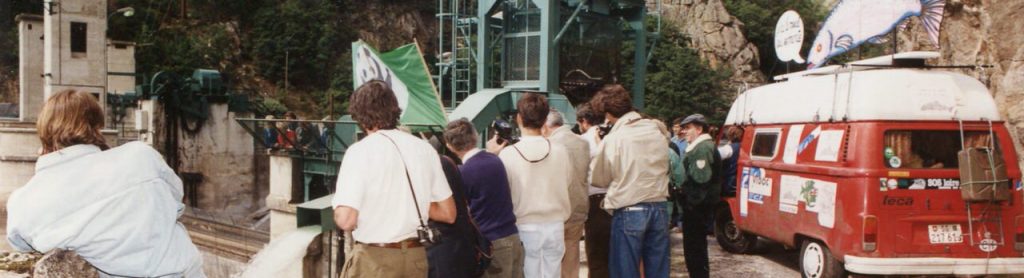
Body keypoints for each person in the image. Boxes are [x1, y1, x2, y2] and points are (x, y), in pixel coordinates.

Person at [5, 89, 204, 277]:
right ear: (96, 126)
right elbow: (177, 201)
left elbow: (22, 245)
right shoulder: (140, 156)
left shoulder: (22, 201)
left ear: (43, 132)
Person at [333, 80, 457, 278]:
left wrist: (338, 211)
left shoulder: (359, 152)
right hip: (416, 259)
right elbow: (448, 213)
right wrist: (408, 201)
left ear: (360, 116)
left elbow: (347, 220)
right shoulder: (425, 149)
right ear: (394, 110)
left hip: (375, 261)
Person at [589, 85, 671, 278]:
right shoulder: (657, 130)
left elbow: (599, 178)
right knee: (658, 270)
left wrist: (602, 147)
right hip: (659, 206)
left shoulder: (614, 138)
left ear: (608, 114)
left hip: (629, 209)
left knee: (624, 271)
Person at [489, 93, 572, 278]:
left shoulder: (508, 154)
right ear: (545, 119)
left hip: (525, 225)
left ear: (519, 118)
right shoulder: (560, 151)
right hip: (555, 224)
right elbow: (568, 182)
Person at [444, 118, 525, 278]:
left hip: (491, 243)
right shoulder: (496, 160)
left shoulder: (462, 173)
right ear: (475, 136)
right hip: (512, 236)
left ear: (450, 146)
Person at [541, 110, 589, 278]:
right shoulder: (582, 143)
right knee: (572, 254)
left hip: (556, 210)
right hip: (579, 207)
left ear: (546, 126)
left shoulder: (549, 145)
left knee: (551, 260)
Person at [678, 114, 722, 278]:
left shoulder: (701, 148)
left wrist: (688, 201)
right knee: (696, 249)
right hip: (699, 207)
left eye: (688, 128)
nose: (684, 132)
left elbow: (700, 179)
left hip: (697, 208)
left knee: (695, 249)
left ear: (699, 129)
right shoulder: (702, 146)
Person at [427, 156, 483, 278]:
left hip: (442, 246)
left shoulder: (430, 164)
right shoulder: (446, 161)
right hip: (461, 242)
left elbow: (448, 215)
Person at [576, 103, 611, 278]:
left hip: (595, 201)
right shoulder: (612, 135)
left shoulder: (584, 141)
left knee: (596, 255)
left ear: (583, 121)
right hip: (615, 199)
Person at [719, 126, 744, 196]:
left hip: (728, 184)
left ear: (730, 135)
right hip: (739, 183)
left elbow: (714, 157)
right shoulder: (745, 147)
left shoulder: (728, 148)